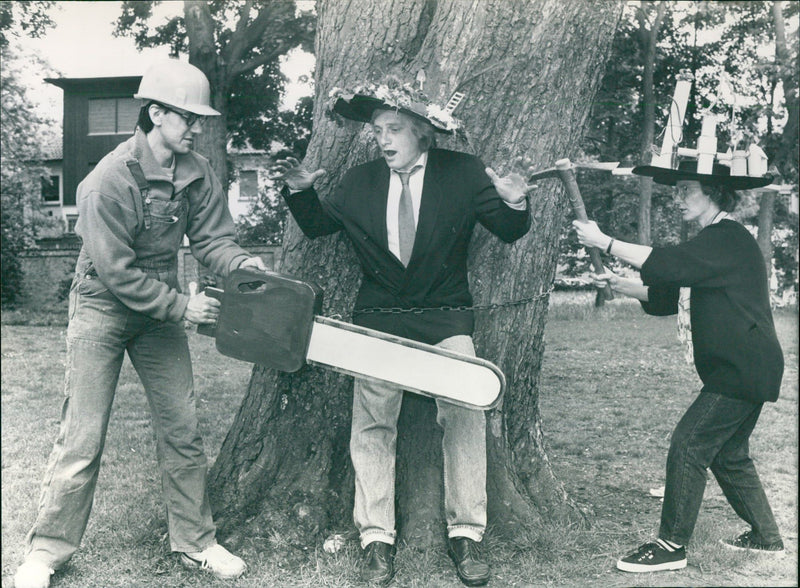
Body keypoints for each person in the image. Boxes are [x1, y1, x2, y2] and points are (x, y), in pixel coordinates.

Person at [13, 59, 267, 588]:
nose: (195, 128)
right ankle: (45, 553)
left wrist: (242, 263)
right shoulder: (107, 180)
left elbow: (213, 239)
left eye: (198, 119)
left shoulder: (197, 171)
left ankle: (196, 541)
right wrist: (181, 308)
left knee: (183, 427)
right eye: (187, 118)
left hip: (159, 308)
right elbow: (117, 272)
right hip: (102, 304)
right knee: (83, 435)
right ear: (155, 114)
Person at [271, 80, 533, 586]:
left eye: (393, 129)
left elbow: (508, 229)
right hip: (380, 319)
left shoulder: (463, 172)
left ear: (422, 133)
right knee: (372, 422)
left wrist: (515, 203)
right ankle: (376, 539)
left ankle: (467, 534)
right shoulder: (360, 180)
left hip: (445, 315)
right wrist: (302, 191)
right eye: (377, 131)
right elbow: (319, 226)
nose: (383, 140)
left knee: (466, 409)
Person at [572, 159, 784, 573]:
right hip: (748, 365)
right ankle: (766, 537)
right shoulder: (714, 240)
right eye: (677, 190)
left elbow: (668, 264)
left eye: (687, 190)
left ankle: (671, 545)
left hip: (740, 368)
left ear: (714, 193)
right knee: (729, 455)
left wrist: (605, 241)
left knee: (689, 444)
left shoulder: (727, 237)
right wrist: (618, 283)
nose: (678, 198)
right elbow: (669, 295)